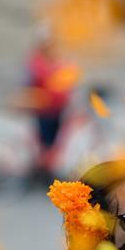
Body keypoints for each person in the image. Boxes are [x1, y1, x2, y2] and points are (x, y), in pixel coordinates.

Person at [25, 33, 77, 180]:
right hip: (44, 108)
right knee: (45, 141)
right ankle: (42, 171)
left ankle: (46, 169)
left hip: (58, 107)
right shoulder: (37, 62)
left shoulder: (58, 61)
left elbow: (68, 77)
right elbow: (39, 80)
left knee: (55, 142)